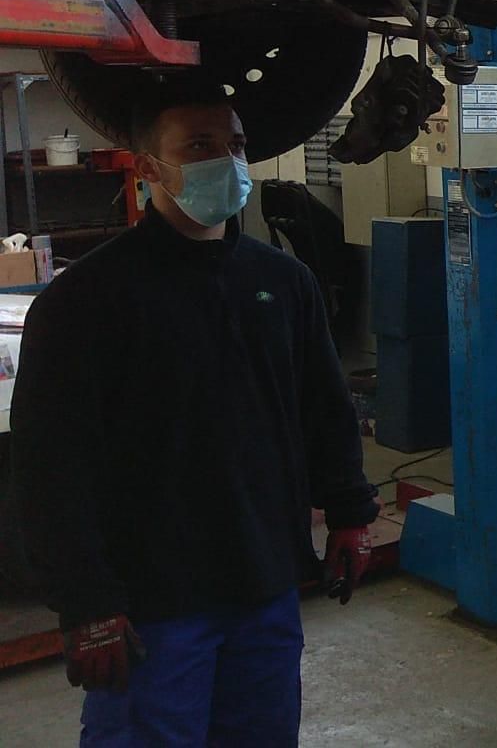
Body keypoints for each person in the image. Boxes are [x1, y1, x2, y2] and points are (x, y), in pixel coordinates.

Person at [9, 86, 379, 746]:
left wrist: (351, 514)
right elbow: (50, 465)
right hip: (153, 603)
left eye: (234, 145)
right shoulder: (85, 302)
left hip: (263, 584)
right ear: (148, 167)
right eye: (200, 147)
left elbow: (324, 410)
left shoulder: (282, 283)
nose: (226, 162)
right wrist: (86, 599)